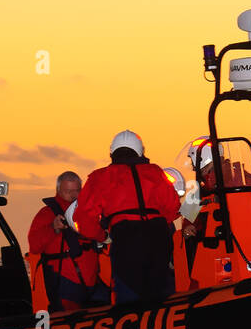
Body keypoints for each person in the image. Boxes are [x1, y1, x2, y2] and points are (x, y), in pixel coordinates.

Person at [74, 130, 182, 303]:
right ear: (140, 151)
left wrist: (102, 236)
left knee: (129, 296)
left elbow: (84, 218)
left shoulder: (100, 177)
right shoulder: (155, 172)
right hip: (159, 237)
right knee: (161, 296)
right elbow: (173, 206)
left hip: (126, 241)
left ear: (111, 153)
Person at [27, 171, 108, 311]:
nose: (73, 195)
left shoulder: (90, 212)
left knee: (109, 308)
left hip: (93, 280)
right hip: (66, 282)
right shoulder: (47, 214)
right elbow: (34, 246)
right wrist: (53, 227)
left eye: (77, 191)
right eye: (68, 191)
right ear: (58, 190)